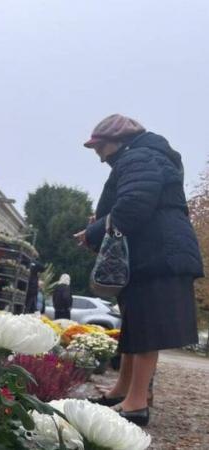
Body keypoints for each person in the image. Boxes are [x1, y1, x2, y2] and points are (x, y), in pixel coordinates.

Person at [74, 114, 203, 426]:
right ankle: (125, 390)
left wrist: (94, 233)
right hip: (153, 252)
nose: (98, 154)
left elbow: (134, 205)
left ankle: (136, 404)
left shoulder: (139, 157)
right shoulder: (144, 157)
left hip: (156, 254)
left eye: (99, 147)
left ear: (116, 141)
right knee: (135, 326)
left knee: (146, 329)